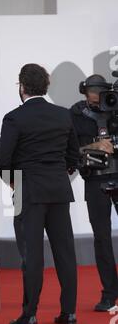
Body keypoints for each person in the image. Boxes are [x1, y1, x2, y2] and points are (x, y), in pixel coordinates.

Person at [0, 63, 79, 324]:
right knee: (65, 252)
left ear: (21, 86)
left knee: (31, 254)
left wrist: (12, 181)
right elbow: (73, 156)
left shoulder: (14, 118)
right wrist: (58, 175)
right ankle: (69, 313)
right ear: (46, 85)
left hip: (27, 190)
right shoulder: (63, 115)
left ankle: (29, 314)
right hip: (58, 190)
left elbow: (2, 159)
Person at [70, 74, 118, 311]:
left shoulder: (115, 107)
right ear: (84, 91)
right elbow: (70, 150)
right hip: (94, 180)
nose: (97, 96)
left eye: (101, 91)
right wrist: (95, 146)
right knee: (102, 238)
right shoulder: (76, 114)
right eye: (92, 91)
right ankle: (110, 293)